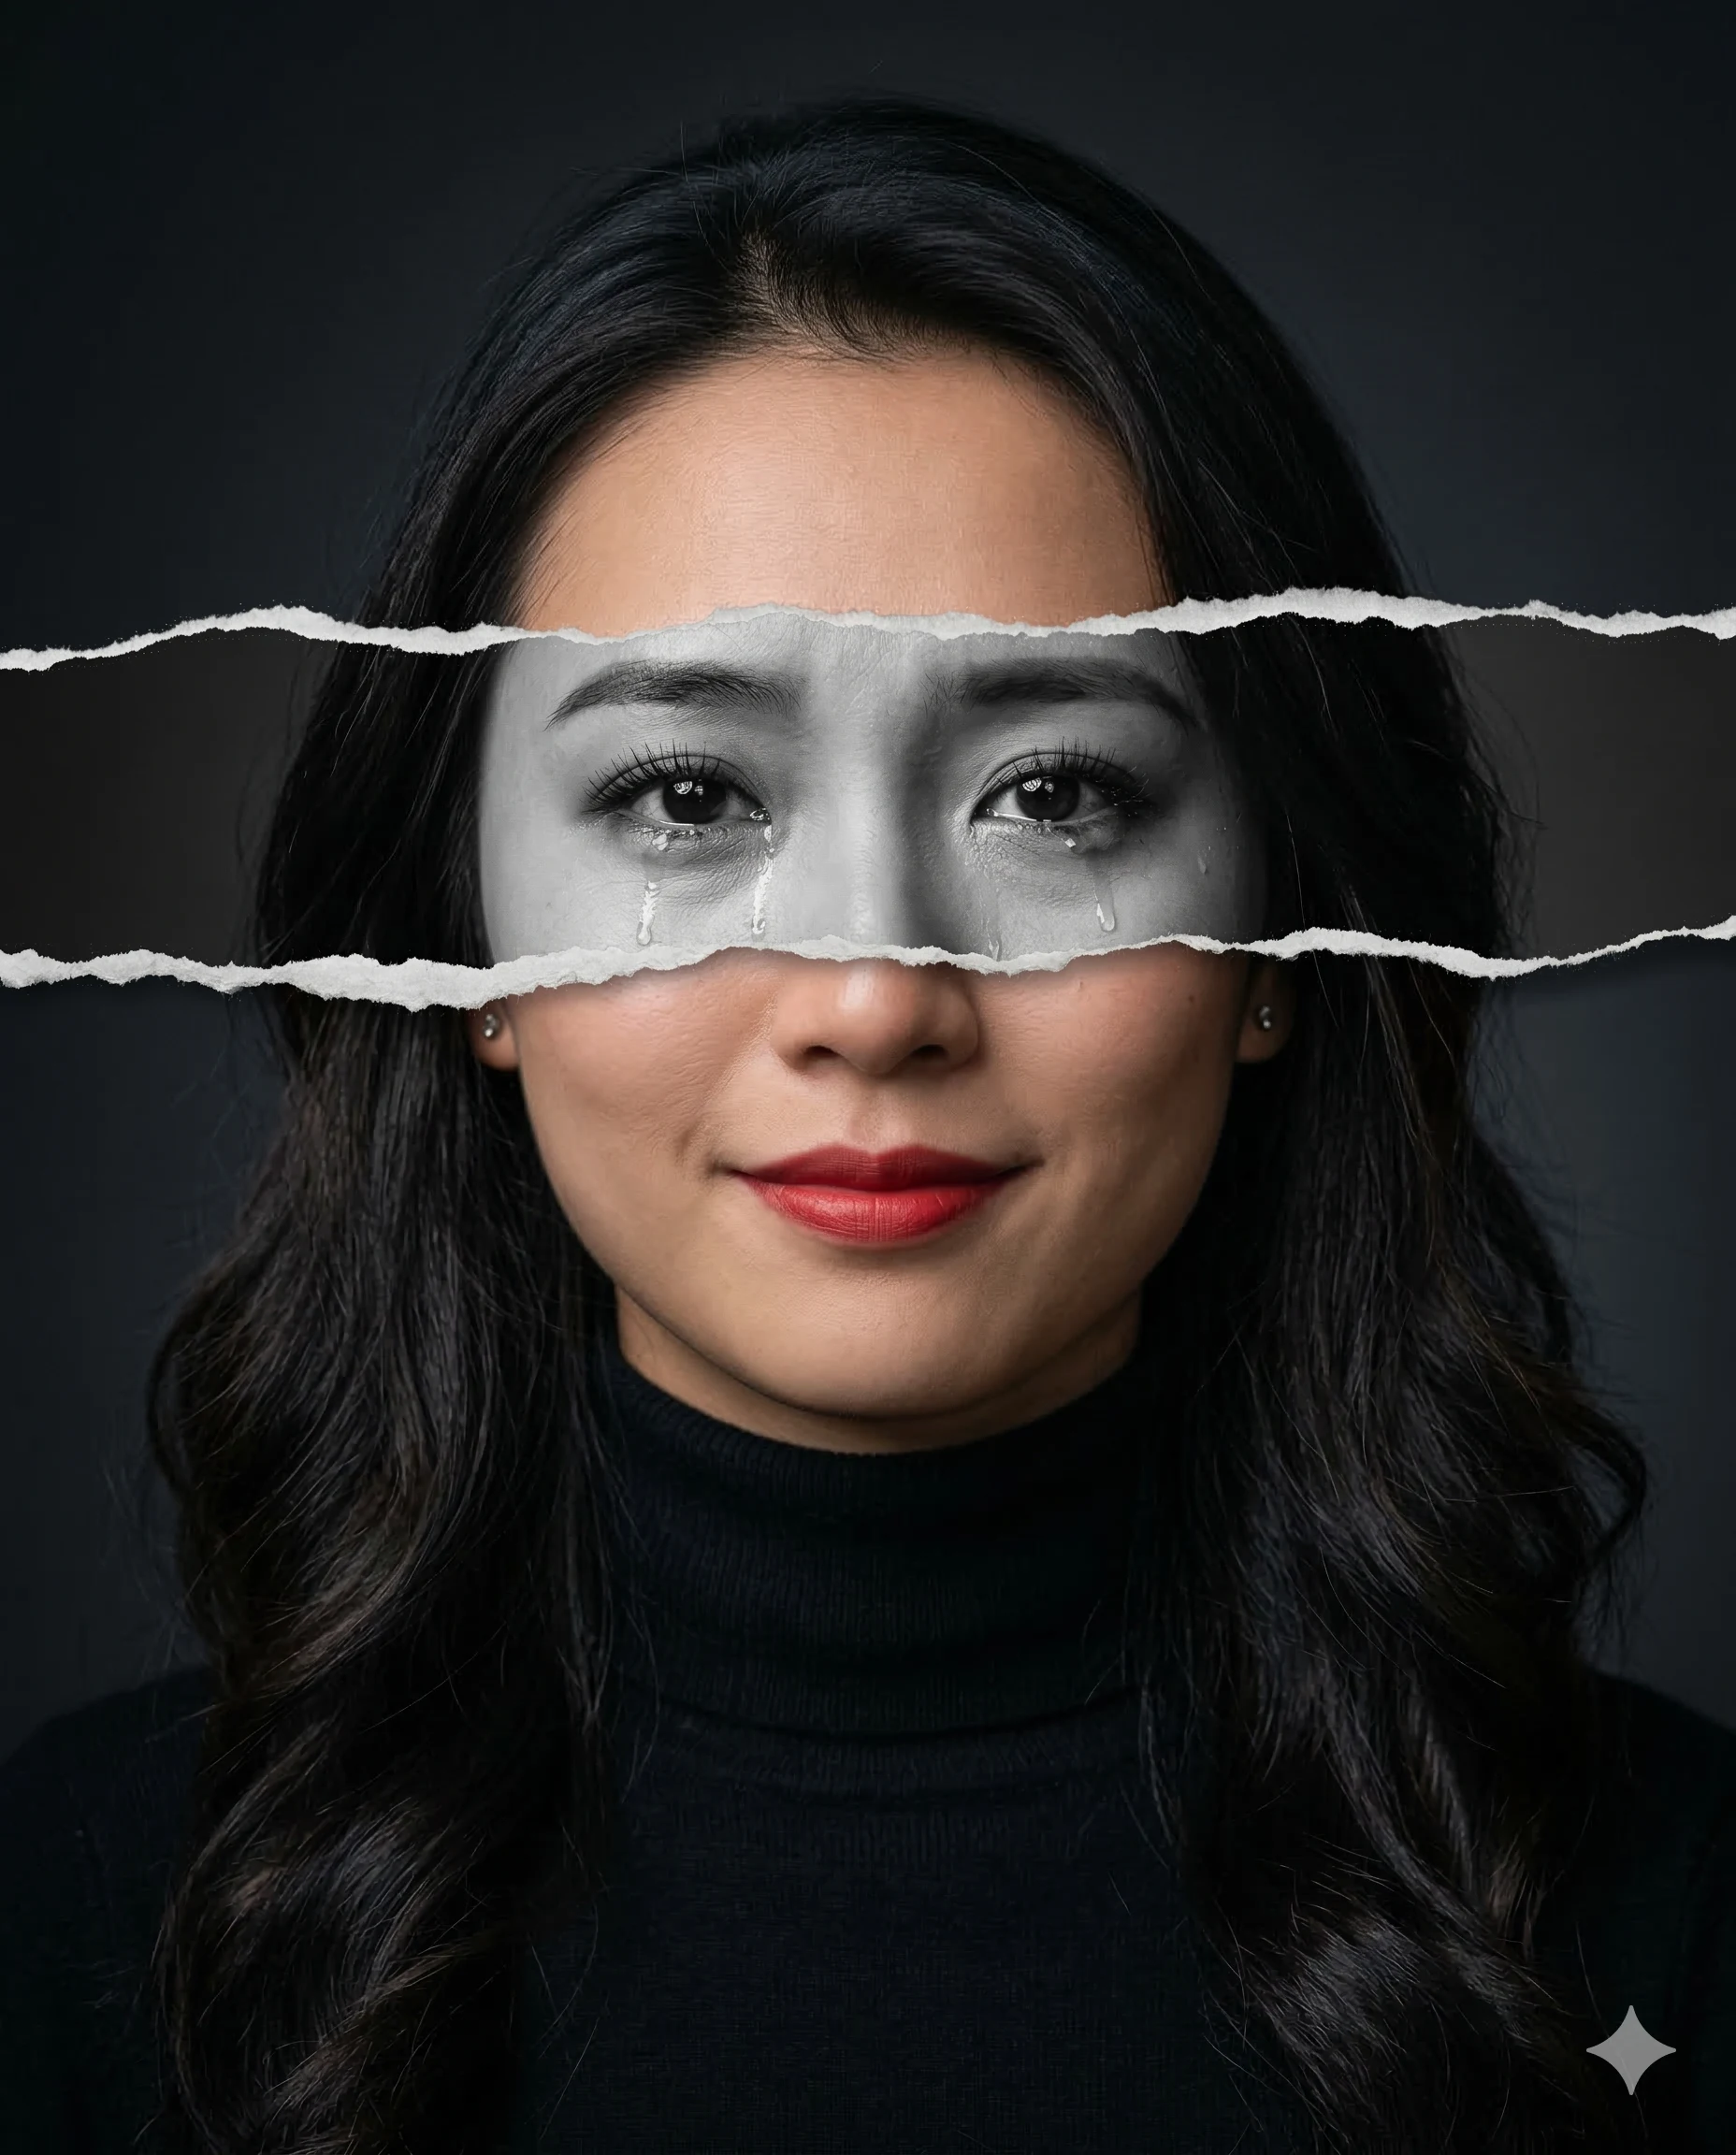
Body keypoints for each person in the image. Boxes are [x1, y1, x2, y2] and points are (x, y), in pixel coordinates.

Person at [1, 95, 1731, 2155]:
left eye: (1056, 795)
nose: (872, 998)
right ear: (458, 951)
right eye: (685, 798)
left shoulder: (1672, 1931)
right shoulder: (80, 1931)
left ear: (1286, 939)